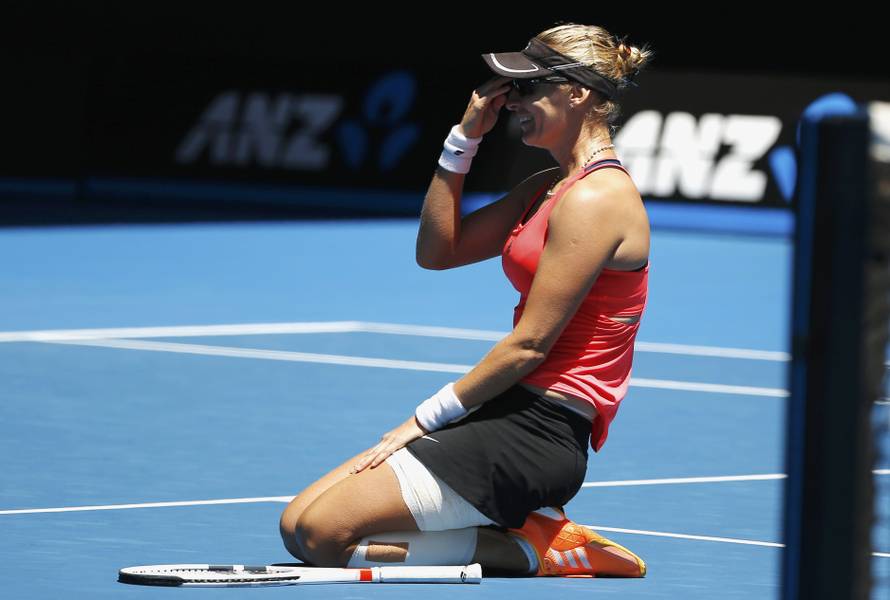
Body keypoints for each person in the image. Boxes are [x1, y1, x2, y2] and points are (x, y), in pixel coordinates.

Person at [279, 22, 655, 578]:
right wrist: (464, 139)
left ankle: (534, 550)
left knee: (322, 537)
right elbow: (439, 250)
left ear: (577, 94)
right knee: (296, 524)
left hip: (541, 432)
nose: (512, 103)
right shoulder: (544, 188)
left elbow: (529, 346)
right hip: (505, 411)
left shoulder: (598, 197)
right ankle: (529, 526)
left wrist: (423, 419)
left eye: (528, 89)